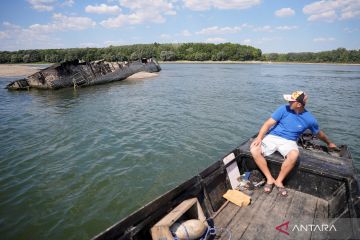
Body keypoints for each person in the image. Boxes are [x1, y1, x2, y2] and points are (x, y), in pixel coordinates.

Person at [250, 91, 337, 196]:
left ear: (299, 104)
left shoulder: (310, 119)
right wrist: (259, 138)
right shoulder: (283, 109)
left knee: (294, 155)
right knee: (254, 149)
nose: (289, 102)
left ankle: (279, 181)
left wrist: (329, 143)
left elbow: (319, 134)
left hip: (289, 141)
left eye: (291, 101)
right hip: (272, 137)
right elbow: (268, 124)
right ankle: (269, 179)